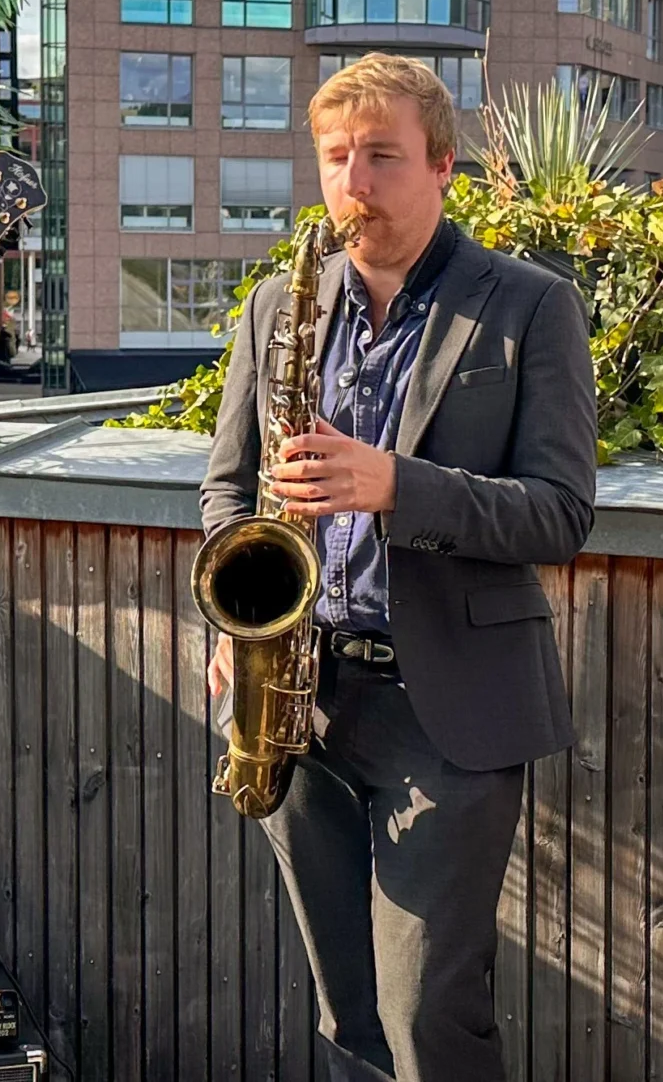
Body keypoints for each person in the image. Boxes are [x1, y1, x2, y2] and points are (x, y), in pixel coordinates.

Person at [199, 53, 598, 1082]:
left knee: (428, 1012)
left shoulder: (527, 306)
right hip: (298, 691)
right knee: (346, 1015)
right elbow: (225, 488)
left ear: (443, 167)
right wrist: (235, 630)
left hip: (448, 710)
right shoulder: (272, 307)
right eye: (336, 157)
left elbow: (560, 515)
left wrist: (395, 485)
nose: (354, 183)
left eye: (380, 156)